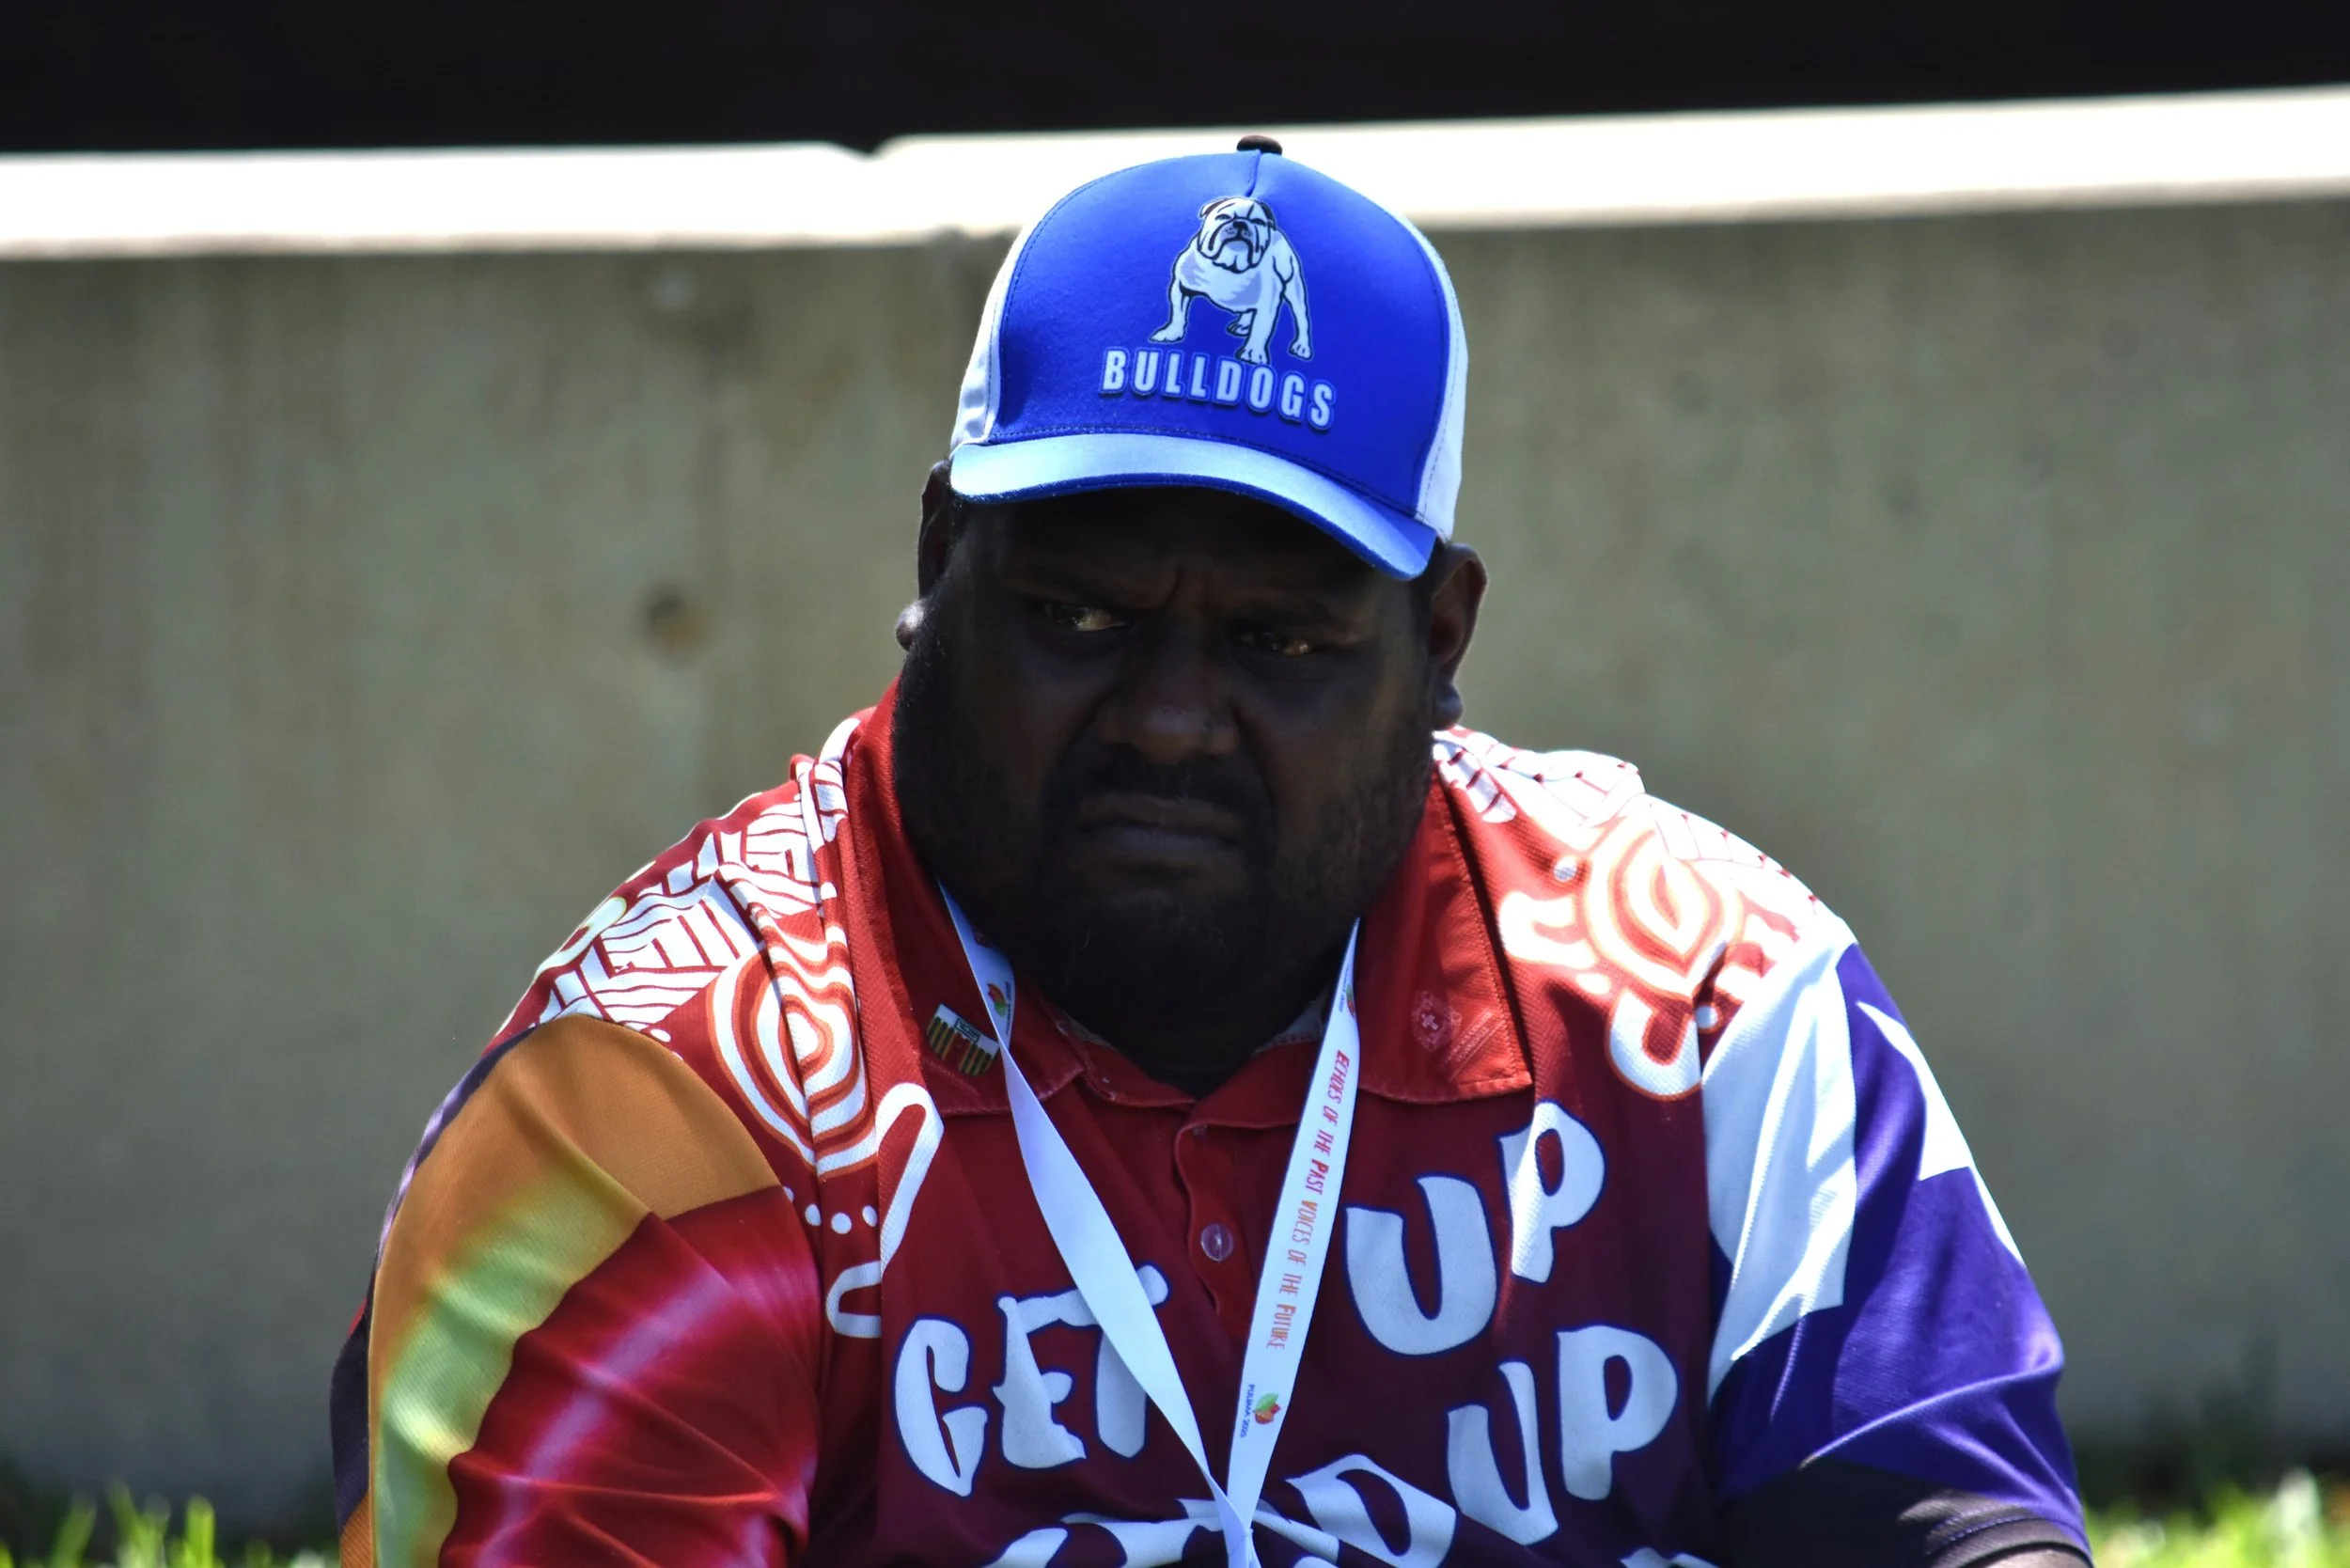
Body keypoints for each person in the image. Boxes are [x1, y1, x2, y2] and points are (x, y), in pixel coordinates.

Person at [332, 139, 2092, 1567]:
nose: (1171, 719)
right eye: (1081, 614)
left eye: (1278, 642)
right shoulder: (660, 1105)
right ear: (937, 565)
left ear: (1442, 643)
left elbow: (1955, 1529)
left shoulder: (1708, 1005)